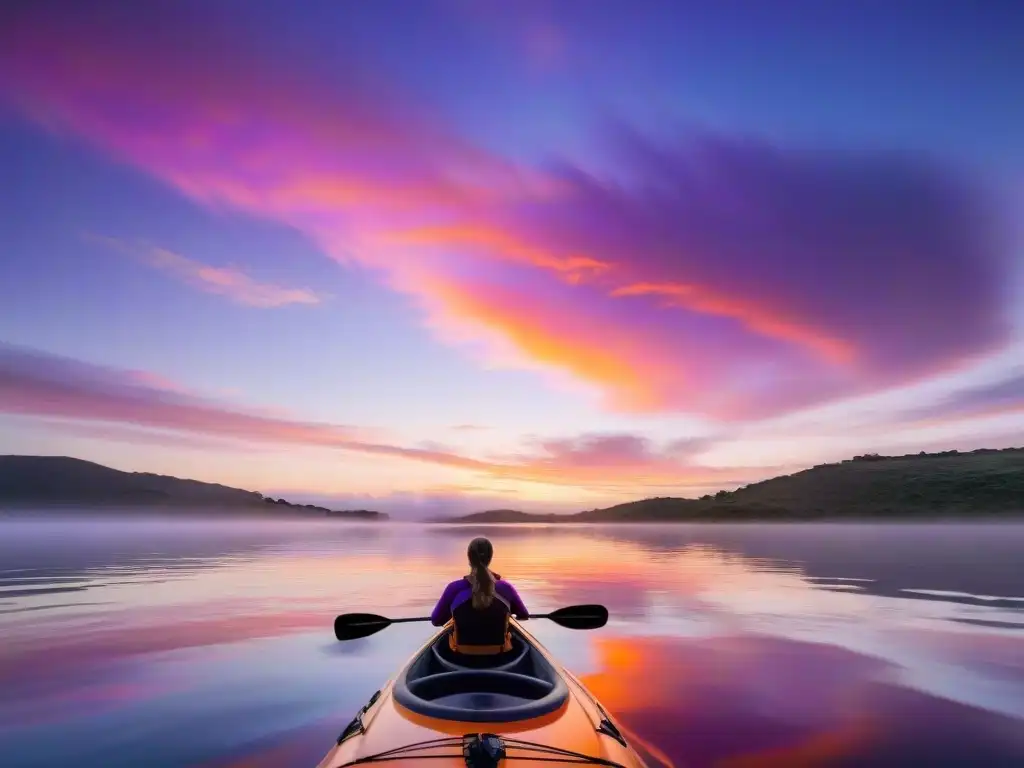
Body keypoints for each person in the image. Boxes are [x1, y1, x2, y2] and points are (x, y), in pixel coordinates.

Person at [430, 536, 529, 655]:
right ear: (490, 557)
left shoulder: (454, 589)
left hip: (461, 655)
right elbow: (523, 615)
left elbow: (436, 621)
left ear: (469, 558)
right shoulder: (505, 588)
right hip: (499, 654)